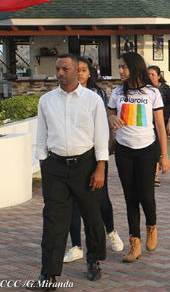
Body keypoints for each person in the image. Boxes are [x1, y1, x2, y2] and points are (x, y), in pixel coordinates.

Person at [29, 54, 109, 290]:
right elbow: (41, 134)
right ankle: (49, 274)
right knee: (53, 219)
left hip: (86, 165)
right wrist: (43, 161)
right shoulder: (46, 100)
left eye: (65, 69)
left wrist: (101, 167)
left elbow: (101, 135)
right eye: (58, 69)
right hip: (55, 166)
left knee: (92, 215)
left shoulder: (92, 100)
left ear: (77, 71)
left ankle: (94, 260)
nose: (60, 73)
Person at [107, 52, 170, 263]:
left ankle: (151, 226)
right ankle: (135, 244)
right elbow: (109, 116)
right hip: (124, 150)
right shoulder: (117, 92)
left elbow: (160, 125)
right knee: (130, 197)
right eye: (120, 67)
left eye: (124, 66)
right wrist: (113, 118)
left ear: (134, 67)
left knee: (146, 194)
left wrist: (164, 155)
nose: (121, 70)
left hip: (147, 149)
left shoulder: (152, 92)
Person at [62, 58, 124, 265]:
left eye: (83, 70)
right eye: (76, 70)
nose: (79, 73)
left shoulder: (97, 95)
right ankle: (76, 246)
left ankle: (111, 230)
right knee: (72, 204)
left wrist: (105, 152)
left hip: (94, 155)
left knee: (100, 198)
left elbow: (103, 125)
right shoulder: (60, 96)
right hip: (69, 157)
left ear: (90, 73)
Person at [148, 66, 170, 187]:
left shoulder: (165, 89)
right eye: (148, 74)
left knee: (158, 147)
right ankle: (153, 173)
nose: (150, 77)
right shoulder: (145, 89)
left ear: (159, 76)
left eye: (153, 74)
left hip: (162, 121)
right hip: (148, 122)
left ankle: (155, 175)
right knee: (152, 148)